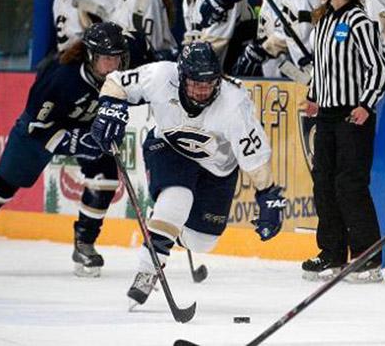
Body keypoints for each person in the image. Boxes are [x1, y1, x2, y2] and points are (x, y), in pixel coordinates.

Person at [89, 41, 287, 308]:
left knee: (202, 242)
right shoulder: (161, 75)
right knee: (176, 199)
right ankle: (147, 272)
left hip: (218, 168)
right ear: (181, 77)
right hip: (169, 148)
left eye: (209, 83)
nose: (203, 90)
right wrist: (109, 108)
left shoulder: (234, 103)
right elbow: (116, 82)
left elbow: (255, 159)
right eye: (196, 83)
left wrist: (268, 195)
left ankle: (165, 225)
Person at [0, 22, 128, 277]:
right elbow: (37, 125)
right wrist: (74, 141)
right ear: (90, 57)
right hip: (39, 130)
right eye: (106, 59)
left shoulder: (120, 69)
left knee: (106, 175)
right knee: (4, 186)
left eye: (117, 58)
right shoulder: (60, 77)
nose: (113, 65)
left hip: (87, 127)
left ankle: (84, 244)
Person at [301, 0, 385, 283]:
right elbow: (322, 68)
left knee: (350, 185)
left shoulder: (359, 22)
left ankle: (367, 258)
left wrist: (366, 104)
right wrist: (313, 94)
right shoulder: (323, 21)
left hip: (354, 116)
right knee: (323, 183)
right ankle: (332, 254)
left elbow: (379, 68)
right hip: (326, 114)